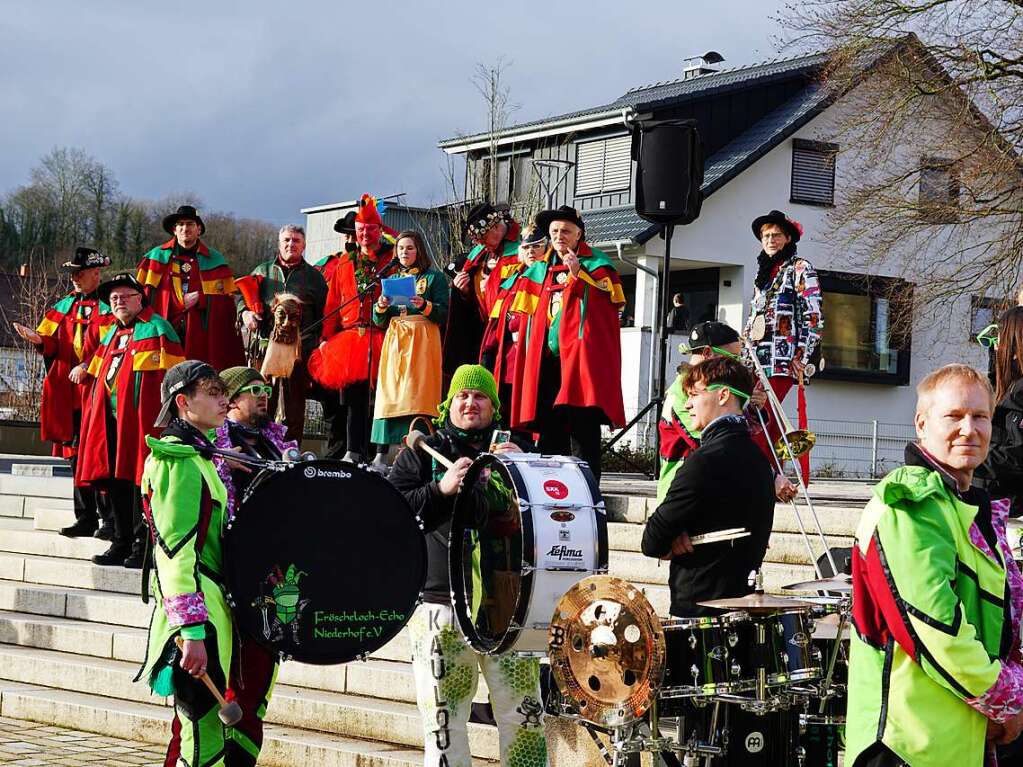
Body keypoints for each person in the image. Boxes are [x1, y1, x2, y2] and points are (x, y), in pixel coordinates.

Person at [846, 363, 1023, 767]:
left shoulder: (959, 506)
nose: (969, 429)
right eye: (954, 416)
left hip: (955, 742)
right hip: (907, 747)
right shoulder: (909, 505)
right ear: (922, 425)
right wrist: (1008, 701)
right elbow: (937, 630)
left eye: (980, 417)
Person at [388, 364, 547, 767]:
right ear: (448, 404)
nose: (470, 403)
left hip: (506, 607)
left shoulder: (517, 452)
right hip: (441, 605)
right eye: (462, 396)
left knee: (524, 716)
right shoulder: (421, 454)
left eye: (480, 397)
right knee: (443, 723)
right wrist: (440, 489)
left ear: (494, 407)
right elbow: (392, 514)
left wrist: (523, 468)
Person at [135, 361, 234, 767]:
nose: (223, 399)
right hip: (196, 614)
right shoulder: (178, 464)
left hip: (209, 605)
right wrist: (192, 631)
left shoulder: (198, 457)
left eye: (223, 391)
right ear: (182, 402)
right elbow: (176, 556)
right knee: (201, 732)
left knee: (205, 730)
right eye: (212, 392)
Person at [641, 356, 775, 616]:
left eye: (694, 394)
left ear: (723, 395)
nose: (688, 404)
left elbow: (652, 541)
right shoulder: (760, 462)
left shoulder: (703, 462)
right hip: (743, 605)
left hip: (699, 612)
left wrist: (671, 539)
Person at [210, 367, 296, 765]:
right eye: (253, 390)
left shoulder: (276, 445)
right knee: (220, 697)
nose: (264, 395)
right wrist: (221, 461)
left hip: (272, 584)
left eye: (266, 389)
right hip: (227, 581)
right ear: (230, 400)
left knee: (256, 691)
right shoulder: (210, 445)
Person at [503, 205, 626, 479]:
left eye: (566, 231)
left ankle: (589, 486)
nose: (560, 236)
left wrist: (578, 274)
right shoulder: (539, 270)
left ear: (579, 234)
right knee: (549, 428)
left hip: (579, 362)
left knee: (583, 428)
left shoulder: (597, 265)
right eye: (555, 231)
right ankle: (550, 484)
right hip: (546, 362)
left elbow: (607, 310)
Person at [77, 273, 184, 567]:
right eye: (114, 299)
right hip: (110, 422)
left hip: (142, 425)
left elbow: (176, 381)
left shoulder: (158, 328)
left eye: (125, 297)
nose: (119, 302)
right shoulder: (110, 334)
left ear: (140, 300)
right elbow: (98, 378)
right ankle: (121, 542)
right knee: (116, 481)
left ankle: (144, 546)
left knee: (142, 483)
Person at [13, 246, 113, 538]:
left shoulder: (111, 305)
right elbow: (53, 343)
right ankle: (85, 517)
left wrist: (87, 366)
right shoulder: (64, 305)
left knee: (101, 455)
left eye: (79, 273)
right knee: (76, 456)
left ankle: (109, 519)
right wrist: (39, 340)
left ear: (96, 274)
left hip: (98, 393)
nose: (74, 279)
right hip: (70, 395)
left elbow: (112, 348)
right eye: (72, 274)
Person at [658, 321, 795, 504]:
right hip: (681, 499)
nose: (736, 366)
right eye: (732, 358)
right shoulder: (682, 394)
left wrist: (752, 410)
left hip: (706, 492)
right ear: (708, 353)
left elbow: (731, 437)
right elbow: (719, 444)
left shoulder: (709, 389)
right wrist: (771, 476)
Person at [309, 194, 396, 463]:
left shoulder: (392, 260)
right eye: (360, 230)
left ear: (380, 231)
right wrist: (326, 336)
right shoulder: (344, 263)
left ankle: (381, 453)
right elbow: (332, 301)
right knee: (353, 401)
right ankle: (353, 450)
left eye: (370, 230)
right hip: (350, 338)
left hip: (383, 335)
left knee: (382, 399)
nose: (365, 235)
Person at [743, 210, 823, 464]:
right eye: (766, 235)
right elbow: (755, 313)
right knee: (750, 415)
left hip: (783, 358)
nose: (770, 240)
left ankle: (763, 471)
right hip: (756, 358)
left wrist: (802, 354)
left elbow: (813, 316)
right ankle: (763, 470)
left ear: (788, 238)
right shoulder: (763, 274)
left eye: (776, 235)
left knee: (764, 416)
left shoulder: (800, 268)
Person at [237, 225, 327, 444]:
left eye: (296, 240)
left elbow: (324, 314)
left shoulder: (314, 278)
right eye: (286, 240)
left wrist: (320, 343)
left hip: (299, 351)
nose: (291, 244)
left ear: (303, 246)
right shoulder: (262, 271)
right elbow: (240, 298)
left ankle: (290, 452)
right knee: (261, 401)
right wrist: (245, 313)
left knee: (294, 407)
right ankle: (259, 449)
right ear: (279, 243)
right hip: (265, 349)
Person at [370, 231, 448, 466]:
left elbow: (443, 312)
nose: (404, 252)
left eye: (410, 248)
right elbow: (378, 321)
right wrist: (381, 306)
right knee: (389, 393)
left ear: (419, 251)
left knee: (417, 393)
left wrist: (424, 305)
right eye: (401, 248)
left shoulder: (435, 278)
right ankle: (381, 454)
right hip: (395, 340)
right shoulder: (391, 279)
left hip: (422, 339)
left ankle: (418, 451)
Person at [137, 204, 244, 370]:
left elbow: (226, 306)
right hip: (163, 331)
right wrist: (176, 302)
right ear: (174, 230)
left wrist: (201, 298)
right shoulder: (154, 258)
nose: (185, 228)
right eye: (180, 225)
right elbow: (141, 299)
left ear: (198, 229)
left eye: (190, 224)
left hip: (200, 334)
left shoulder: (215, 260)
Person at [443, 202, 521, 378]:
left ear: (495, 228)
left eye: (485, 239)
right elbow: (472, 300)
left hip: (510, 334)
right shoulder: (479, 253)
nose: (484, 245)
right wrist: (463, 291)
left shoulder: (523, 248)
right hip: (482, 334)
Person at [482, 222, 545, 410]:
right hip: (509, 356)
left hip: (535, 355)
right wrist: (488, 349)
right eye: (526, 247)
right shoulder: (512, 280)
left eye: (537, 246)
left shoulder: (548, 276)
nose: (531, 251)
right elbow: (496, 320)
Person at [974, 307, 1023, 518]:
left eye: (999, 338)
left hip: (1010, 512)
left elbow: (1018, 454)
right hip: (989, 502)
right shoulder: (1003, 388)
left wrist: (973, 459)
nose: (996, 344)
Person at [312, 210, 357, 283]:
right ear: (342, 237)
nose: (350, 241)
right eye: (347, 236)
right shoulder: (326, 263)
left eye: (354, 237)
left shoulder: (365, 264)